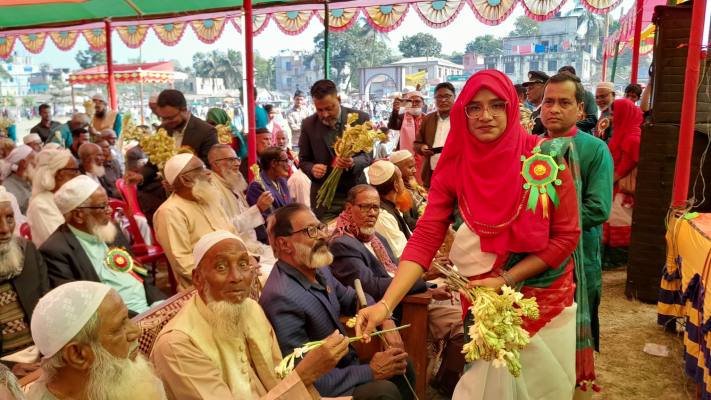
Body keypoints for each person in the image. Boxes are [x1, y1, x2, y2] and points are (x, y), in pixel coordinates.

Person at [356, 70, 588, 399]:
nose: (485, 116)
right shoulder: (455, 163)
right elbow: (426, 235)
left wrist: (506, 278)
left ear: (512, 108)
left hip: (544, 295)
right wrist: (385, 304)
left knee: (541, 388)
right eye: (474, 108)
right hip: (484, 299)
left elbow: (566, 237)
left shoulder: (543, 159)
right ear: (463, 113)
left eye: (496, 105)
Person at [151, 230, 349, 399]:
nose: (237, 277)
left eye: (243, 264)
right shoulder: (177, 345)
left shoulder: (251, 308)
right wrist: (304, 375)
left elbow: (279, 375)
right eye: (221, 267)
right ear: (198, 278)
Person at [260, 204, 416, 399]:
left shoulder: (319, 269)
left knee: (401, 364)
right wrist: (370, 371)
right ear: (284, 244)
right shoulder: (281, 297)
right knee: (383, 392)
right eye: (311, 231)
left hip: (346, 366)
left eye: (320, 227)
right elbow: (303, 376)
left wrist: (384, 318)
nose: (322, 235)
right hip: (321, 388)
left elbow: (353, 298)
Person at [541, 72, 614, 352]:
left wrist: (543, 222)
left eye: (564, 102)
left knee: (573, 336)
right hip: (536, 258)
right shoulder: (531, 145)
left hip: (579, 256)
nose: (554, 109)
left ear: (580, 109)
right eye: (548, 102)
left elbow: (598, 209)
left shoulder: (595, 149)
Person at [40, 175, 165, 315]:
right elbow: (82, 307)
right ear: (78, 215)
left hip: (150, 307)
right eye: (103, 206)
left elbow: (140, 272)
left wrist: (159, 303)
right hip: (119, 319)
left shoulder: (111, 229)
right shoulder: (56, 250)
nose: (110, 210)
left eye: (108, 203)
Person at [28, 281, 166, 400]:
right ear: (78, 355)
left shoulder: (116, 374)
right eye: (119, 327)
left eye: (127, 318)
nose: (136, 331)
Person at [153, 154, 236, 291]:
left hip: (236, 272)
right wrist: (225, 274)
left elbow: (233, 234)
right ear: (185, 179)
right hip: (206, 286)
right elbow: (183, 263)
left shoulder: (210, 199)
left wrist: (248, 258)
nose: (208, 172)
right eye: (201, 168)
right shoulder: (169, 212)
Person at [298, 79, 371, 221]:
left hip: (356, 193)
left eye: (329, 108)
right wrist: (312, 168)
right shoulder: (308, 125)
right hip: (325, 200)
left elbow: (367, 156)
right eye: (319, 110)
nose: (324, 114)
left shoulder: (360, 118)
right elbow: (303, 160)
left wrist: (353, 162)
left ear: (338, 99)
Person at [208, 144, 277, 281]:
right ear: (216, 164)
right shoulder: (212, 190)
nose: (237, 163)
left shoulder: (231, 182)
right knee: (277, 272)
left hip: (254, 246)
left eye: (237, 159)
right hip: (236, 252)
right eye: (231, 160)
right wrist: (258, 209)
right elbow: (225, 228)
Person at [0, 187, 49, 357]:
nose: (5, 229)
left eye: (9, 218)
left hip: (43, 352)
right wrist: (6, 368)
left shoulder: (28, 251)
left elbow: (48, 305)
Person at [603, 98, 643, 269]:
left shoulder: (632, 138)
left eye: (614, 115)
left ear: (624, 115)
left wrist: (605, 182)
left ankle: (618, 261)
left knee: (618, 221)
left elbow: (624, 168)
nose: (611, 118)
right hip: (616, 187)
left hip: (622, 190)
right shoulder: (625, 133)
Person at [26, 149, 79, 247]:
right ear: (59, 174)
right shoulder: (40, 204)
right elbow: (60, 243)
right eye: (74, 170)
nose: (78, 175)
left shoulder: (65, 197)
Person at [155, 89, 218, 165]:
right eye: (163, 118)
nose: (165, 122)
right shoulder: (162, 130)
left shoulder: (207, 132)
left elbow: (209, 165)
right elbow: (153, 164)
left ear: (184, 110)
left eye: (170, 118)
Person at [368, 161, 414, 258]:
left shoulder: (391, 207)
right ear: (396, 185)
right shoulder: (382, 216)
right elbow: (400, 255)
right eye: (401, 178)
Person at [414, 82, 456, 187]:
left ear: (454, 97)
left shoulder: (462, 118)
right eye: (439, 97)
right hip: (432, 171)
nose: (443, 100)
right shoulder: (427, 119)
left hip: (456, 172)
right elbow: (417, 143)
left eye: (447, 96)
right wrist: (422, 148)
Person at [247, 147, 292, 243]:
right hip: (270, 238)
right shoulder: (258, 185)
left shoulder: (282, 181)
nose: (288, 165)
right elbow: (268, 220)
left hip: (287, 231)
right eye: (285, 161)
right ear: (274, 163)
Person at [557, 66, 598, 132]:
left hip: (581, 135)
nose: (563, 81)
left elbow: (593, 120)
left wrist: (569, 126)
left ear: (574, 79)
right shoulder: (555, 96)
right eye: (560, 79)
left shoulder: (587, 95)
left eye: (567, 78)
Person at [390, 150, 427, 219]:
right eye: (410, 167)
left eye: (415, 166)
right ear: (397, 170)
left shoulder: (411, 180)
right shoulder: (398, 192)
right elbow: (409, 221)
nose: (415, 170)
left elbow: (424, 199)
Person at [0, 145, 34, 214]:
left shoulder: (30, 180)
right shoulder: (7, 188)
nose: (37, 164)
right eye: (35, 160)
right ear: (23, 163)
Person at [522, 70, 549, 135]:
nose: (527, 93)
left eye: (531, 88)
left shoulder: (547, 111)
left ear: (544, 88)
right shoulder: (536, 112)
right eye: (527, 89)